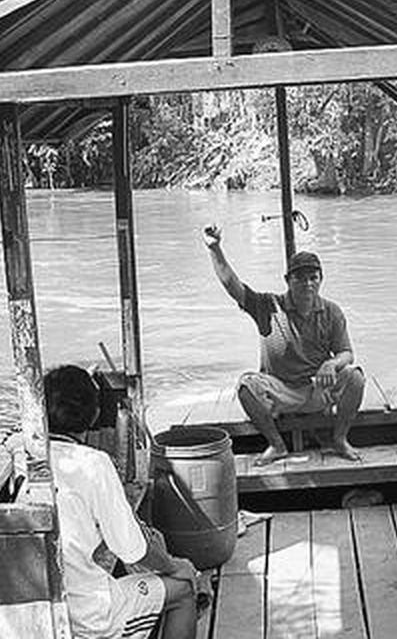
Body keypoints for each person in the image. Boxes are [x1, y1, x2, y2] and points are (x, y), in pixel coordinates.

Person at [44, 364, 198, 639]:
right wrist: (177, 566)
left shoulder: (26, 457)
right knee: (184, 591)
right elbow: (132, 550)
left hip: (46, 612)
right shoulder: (93, 464)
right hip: (90, 617)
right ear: (94, 415)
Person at [203, 224, 365, 466]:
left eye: (313, 278)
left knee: (355, 377)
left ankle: (340, 439)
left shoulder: (332, 311)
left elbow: (346, 353)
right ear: (288, 280)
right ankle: (277, 445)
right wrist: (215, 249)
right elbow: (232, 285)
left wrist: (331, 364)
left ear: (321, 280)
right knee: (246, 385)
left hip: (316, 387)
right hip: (280, 391)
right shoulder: (268, 306)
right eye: (300, 278)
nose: (308, 284)